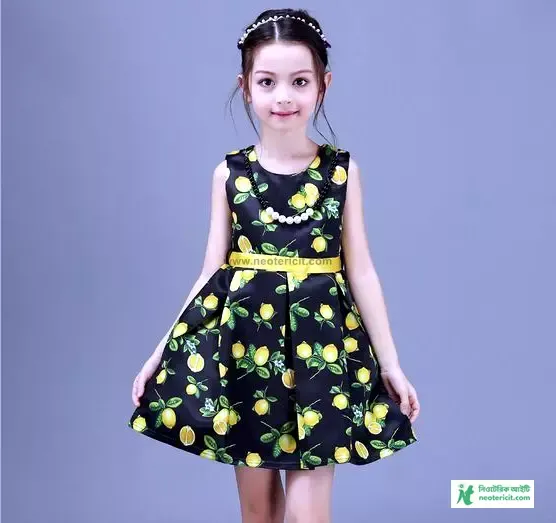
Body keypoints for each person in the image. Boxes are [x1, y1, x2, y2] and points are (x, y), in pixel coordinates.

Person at [128, 8, 421, 523]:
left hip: (323, 351)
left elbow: (362, 272)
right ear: (245, 87)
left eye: (299, 81)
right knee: (258, 512)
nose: (283, 96)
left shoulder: (342, 172)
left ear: (324, 85)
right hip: (247, 351)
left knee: (309, 513)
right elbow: (210, 274)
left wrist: (391, 364)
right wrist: (160, 352)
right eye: (267, 81)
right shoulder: (229, 174)